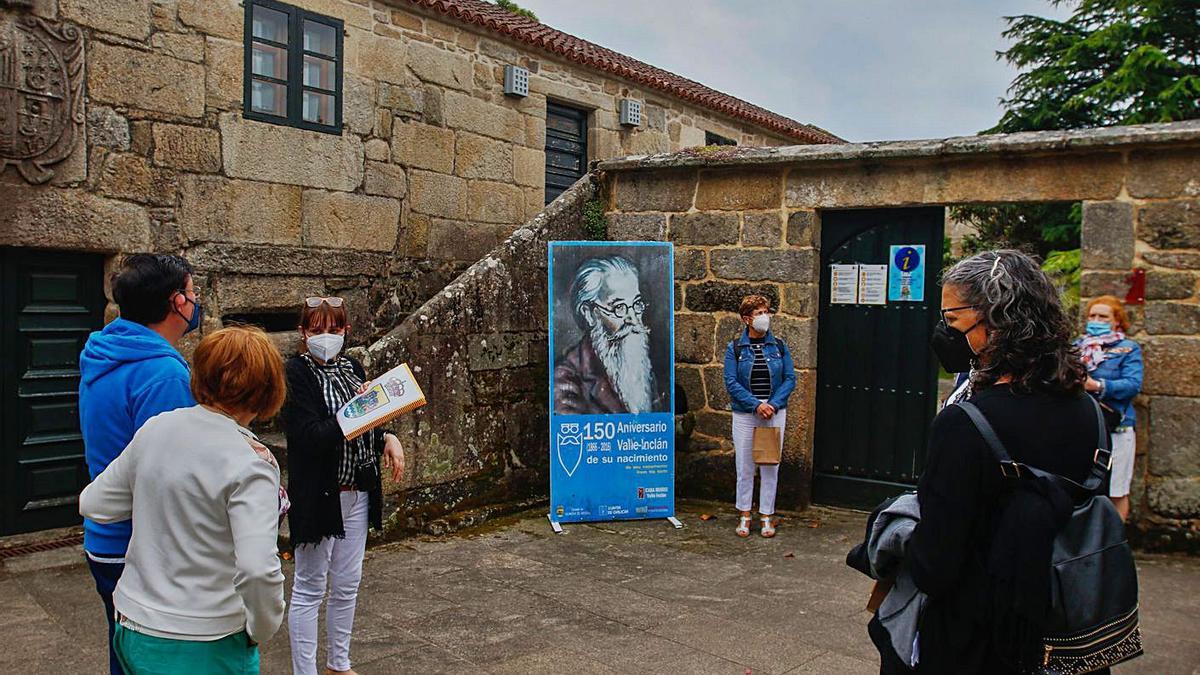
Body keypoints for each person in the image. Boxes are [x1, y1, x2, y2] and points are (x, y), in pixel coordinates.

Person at [875, 250, 1102, 674]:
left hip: (978, 640)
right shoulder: (1089, 412)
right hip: (1062, 628)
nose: (944, 332)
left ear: (998, 320)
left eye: (953, 320)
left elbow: (935, 567)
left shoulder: (965, 423)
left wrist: (895, 529)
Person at [79, 326, 288, 673]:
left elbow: (94, 504)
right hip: (206, 642)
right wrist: (261, 628)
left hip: (134, 627)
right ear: (266, 392)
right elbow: (257, 569)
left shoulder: (156, 429)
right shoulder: (252, 462)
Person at [77, 253, 201, 675]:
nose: (196, 298)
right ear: (175, 303)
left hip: (105, 537)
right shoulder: (163, 374)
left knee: (125, 653)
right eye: (191, 291)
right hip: (139, 545)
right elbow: (172, 473)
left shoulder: (106, 350)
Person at [284, 297, 405, 675]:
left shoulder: (352, 366)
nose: (326, 337)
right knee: (309, 587)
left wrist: (385, 434)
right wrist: (357, 413)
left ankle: (339, 663)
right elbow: (310, 436)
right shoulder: (295, 374)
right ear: (303, 333)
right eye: (316, 329)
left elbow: (367, 420)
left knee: (348, 583)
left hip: (359, 489)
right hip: (321, 493)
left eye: (334, 329)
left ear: (345, 331)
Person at [554, 255, 668, 414]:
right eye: (619, 308)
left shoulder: (646, 362)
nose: (634, 320)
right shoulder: (566, 379)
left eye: (636, 305)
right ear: (589, 314)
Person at [723, 295, 796, 538]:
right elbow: (731, 382)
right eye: (759, 313)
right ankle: (744, 513)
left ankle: (767, 515)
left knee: (769, 465)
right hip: (746, 413)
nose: (765, 317)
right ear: (747, 319)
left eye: (766, 311)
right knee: (744, 466)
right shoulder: (735, 348)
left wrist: (773, 405)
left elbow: (789, 378)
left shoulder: (779, 346)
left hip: (773, 413)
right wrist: (755, 405)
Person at [1076, 295, 1143, 521]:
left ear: (1116, 321)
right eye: (1092, 316)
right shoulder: (1077, 347)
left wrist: (1097, 385)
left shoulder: (1128, 349)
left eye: (1103, 316)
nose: (1096, 320)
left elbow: (1133, 384)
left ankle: (1114, 546)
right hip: (1082, 425)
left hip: (1116, 426)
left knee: (1116, 488)